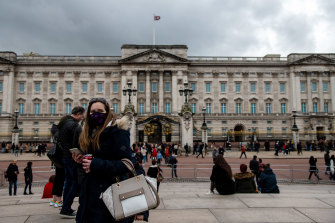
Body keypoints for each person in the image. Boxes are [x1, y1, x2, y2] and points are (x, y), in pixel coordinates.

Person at [72, 97, 135, 222]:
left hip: (110, 193)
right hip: (90, 193)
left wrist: (95, 164)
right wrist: (82, 162)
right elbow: (92, 163)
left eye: (100, 111)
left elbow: (126, 164)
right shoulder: (88, 133)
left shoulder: (118, 131)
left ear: (107, 112)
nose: (96, 114)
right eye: (92, 111)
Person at [58, 106, 85, 218]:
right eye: (82, 115)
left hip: (65, 156)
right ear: (78, 114)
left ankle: (65, 206)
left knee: (68, 183)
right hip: (72, 157)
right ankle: (66, 208)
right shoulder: (74, 125)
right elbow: (78, 142)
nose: (83, 118)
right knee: (75, 183)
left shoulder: (64, 123)